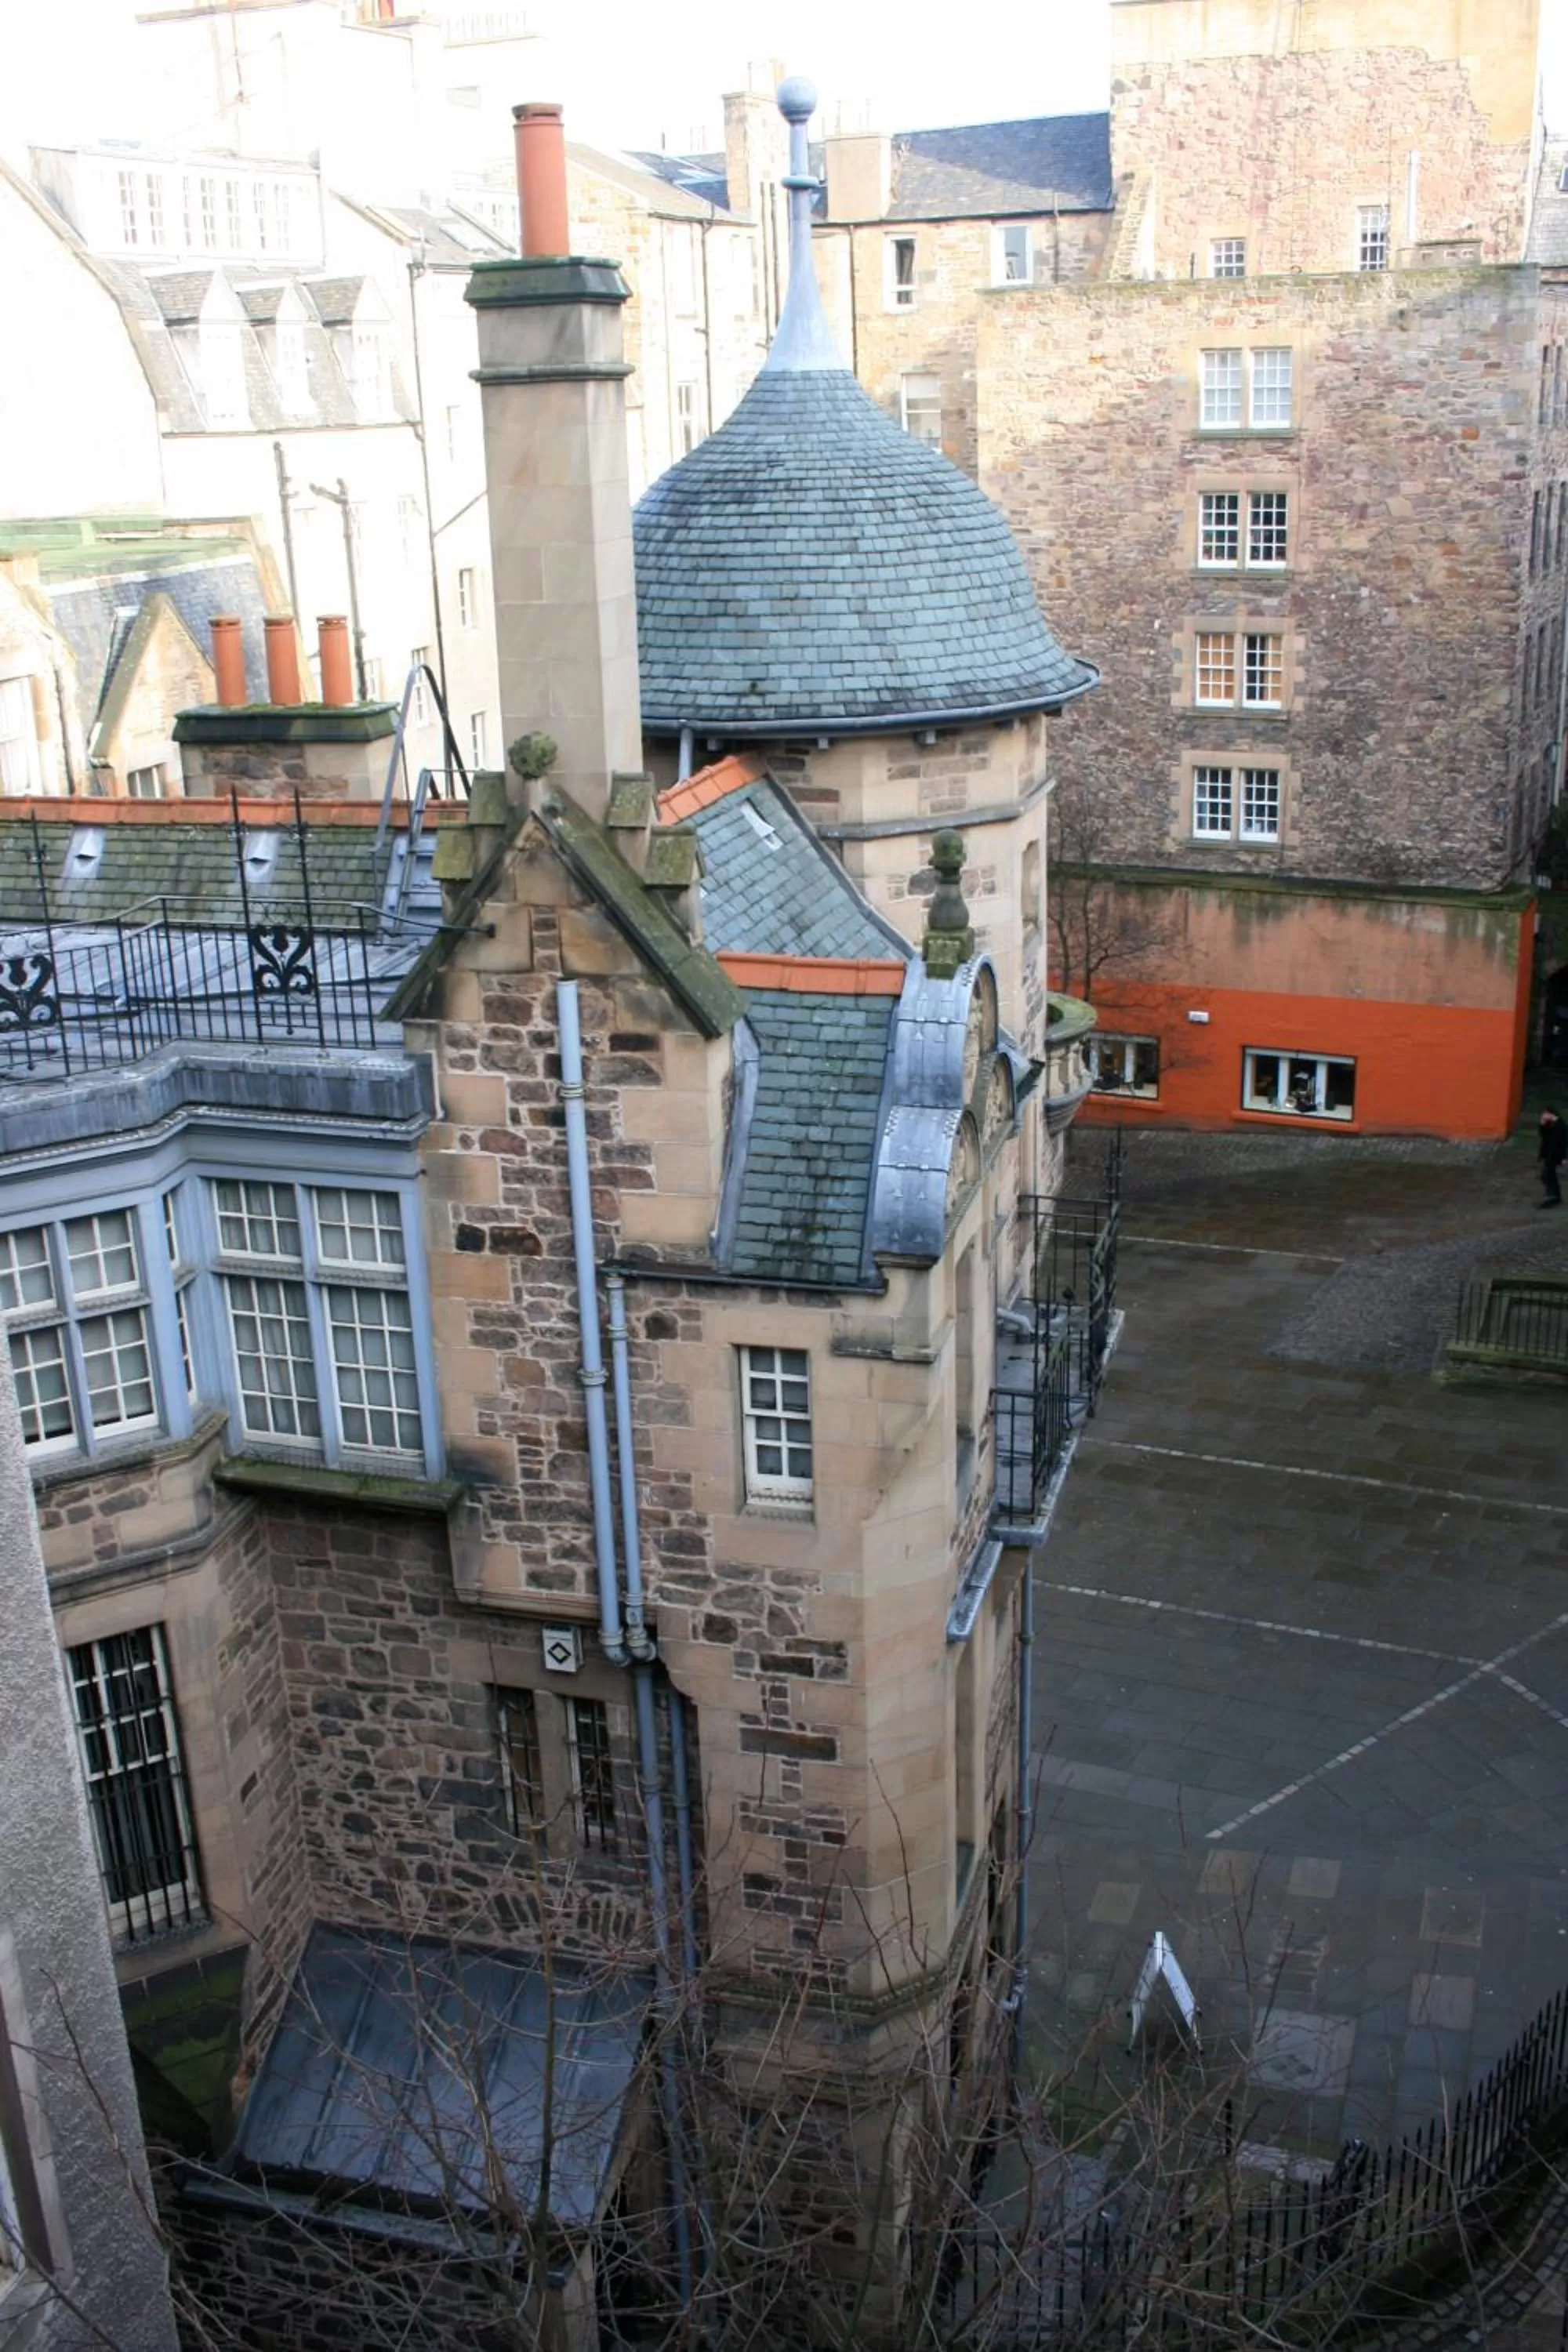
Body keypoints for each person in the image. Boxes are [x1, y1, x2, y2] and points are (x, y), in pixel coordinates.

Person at [1539, 1107, 1567, 1207]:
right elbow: (1544, 1136)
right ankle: (1554, 1195)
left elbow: (1564, 1143)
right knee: (1547, 1174)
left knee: (1548, 1174)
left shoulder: (1561, 1125)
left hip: (1556, 1154)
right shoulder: (1550, 1124)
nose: (1543, 1117)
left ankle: (1553, 1196)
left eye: (1545, 1115)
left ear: (1550, 1114)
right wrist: (1542, 1125)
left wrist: (1564, 1157)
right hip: (1549, 1154)